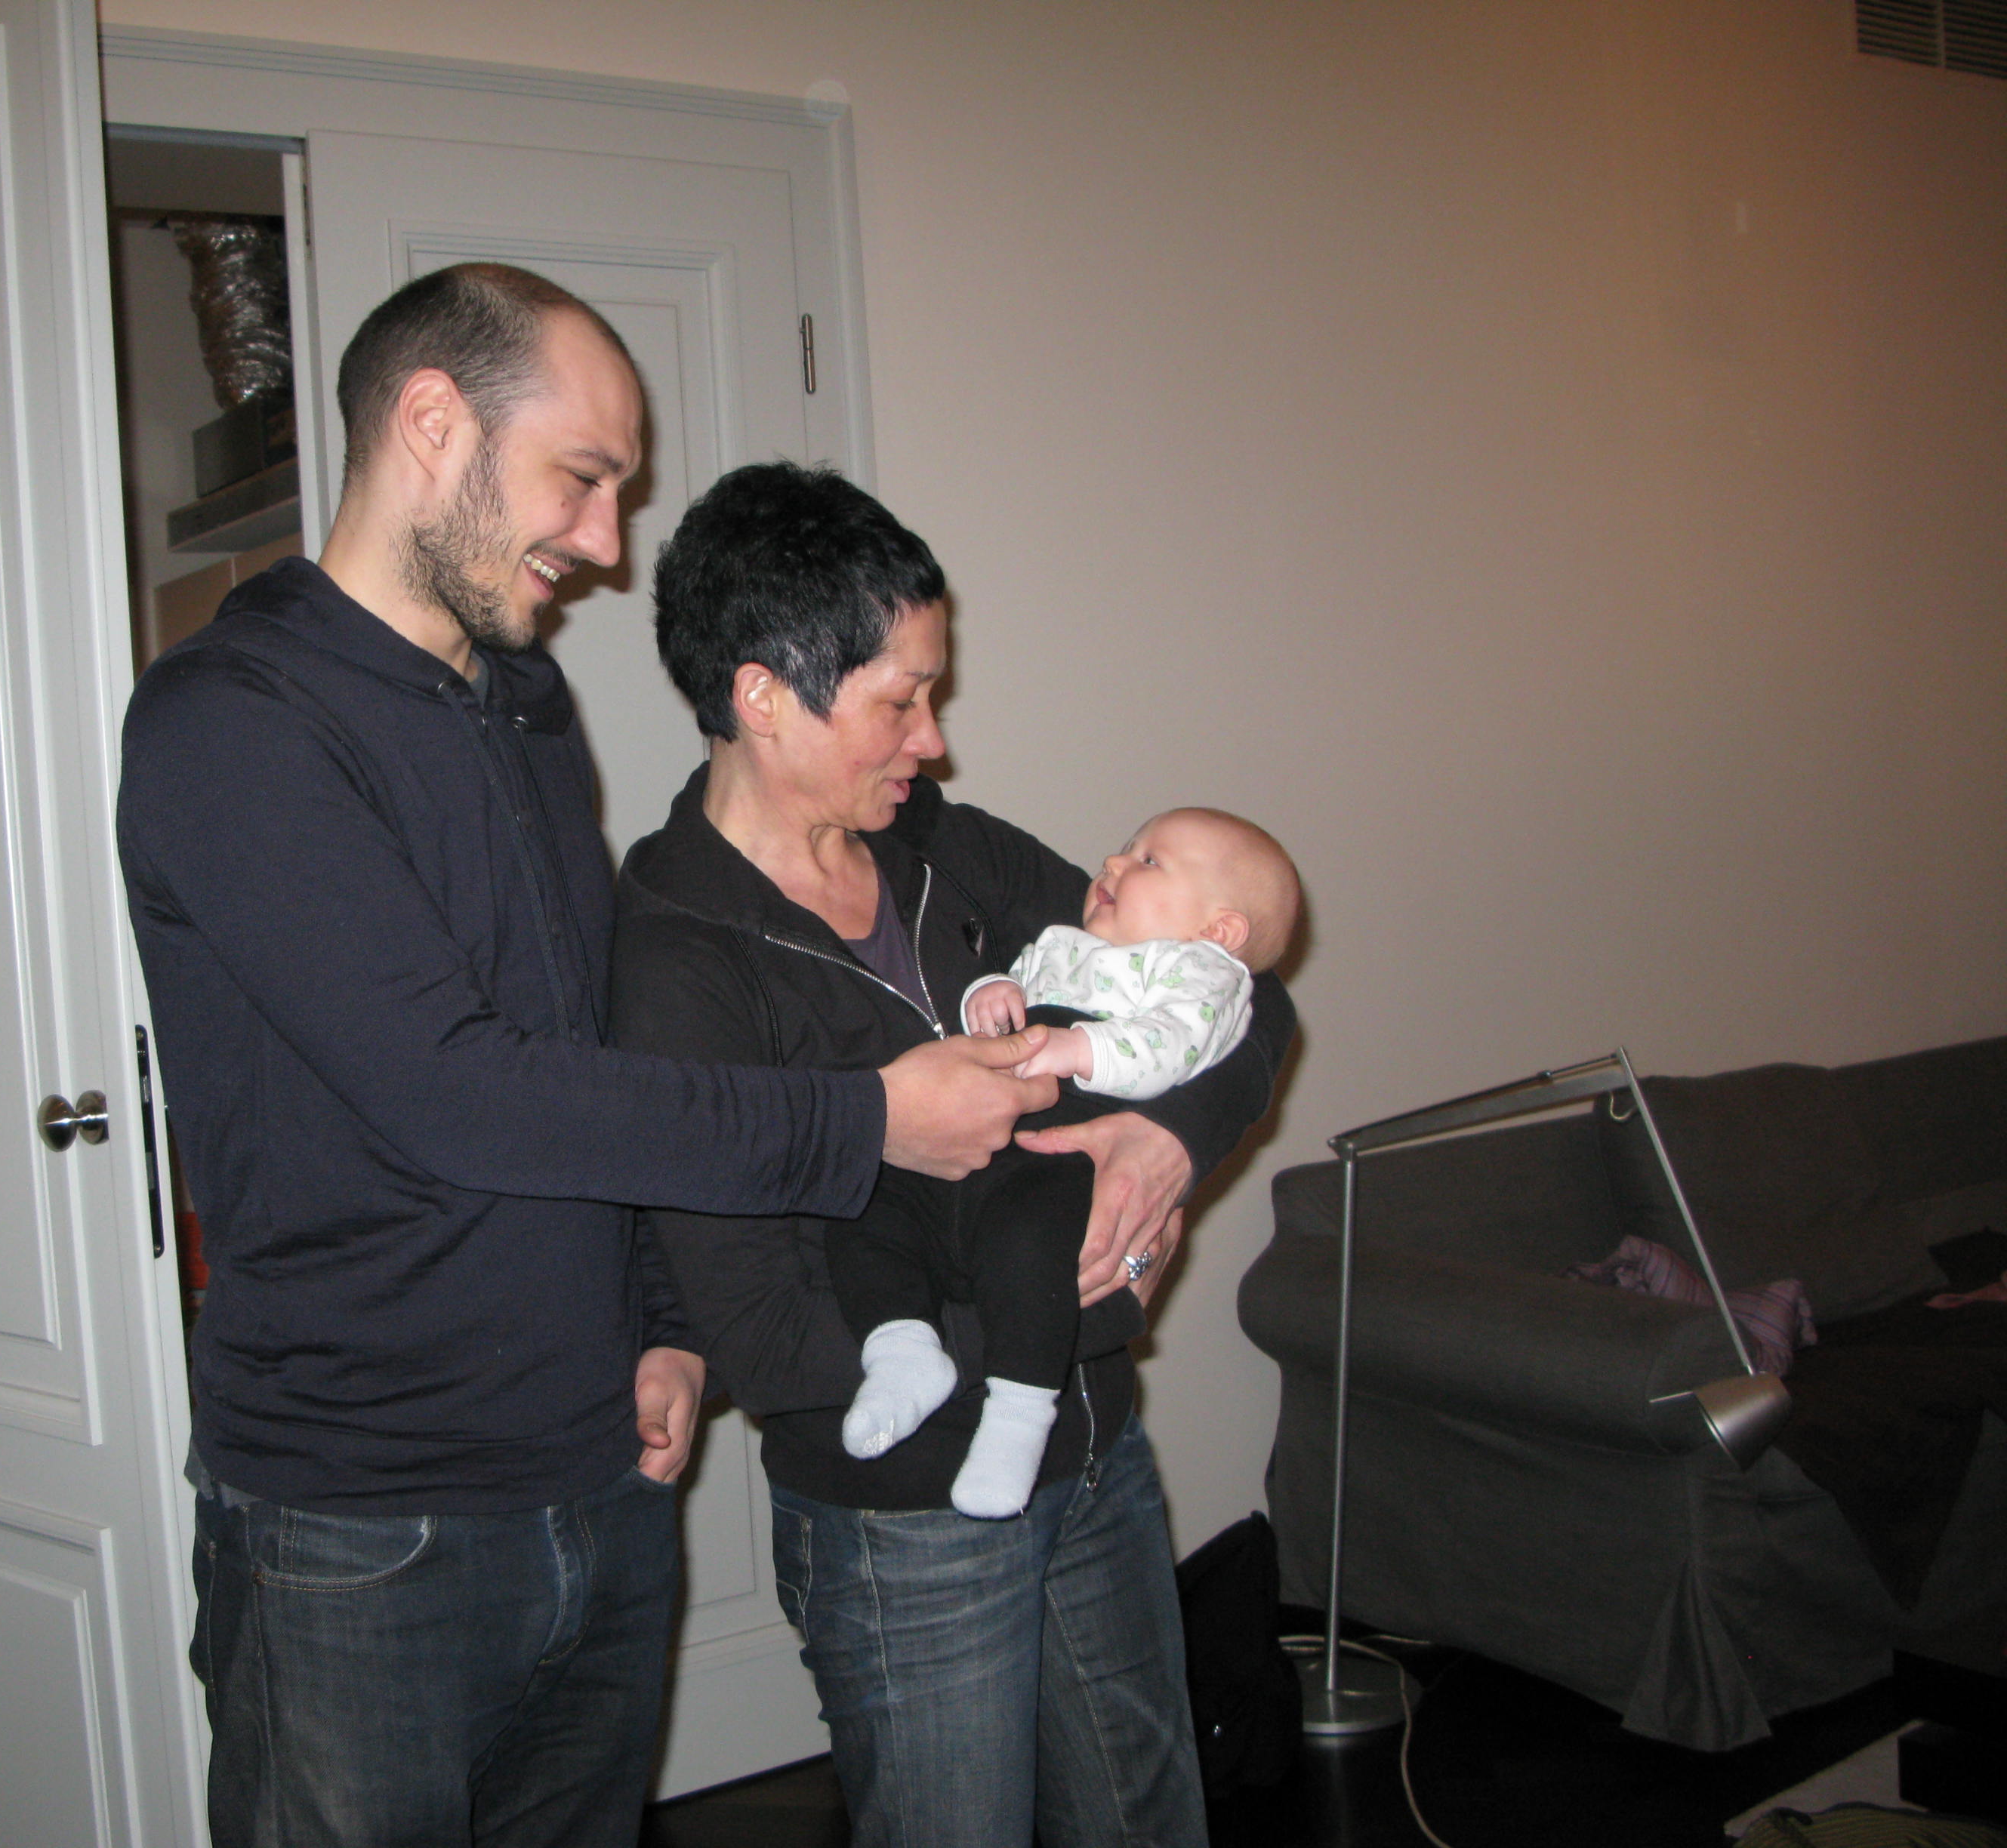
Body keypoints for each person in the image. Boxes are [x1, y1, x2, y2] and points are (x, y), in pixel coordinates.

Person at [114, 265, 1055, 1848]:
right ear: (433, 424)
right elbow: (457, 1091)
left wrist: (667, 1323)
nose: (608, 543)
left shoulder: (528, 706)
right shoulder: (233, 722)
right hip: (366, 1523)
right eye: (585, 477)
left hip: (603, 1474)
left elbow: (586, 1032)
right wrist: (862, 1121)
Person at [610, 460, 1297, 1847]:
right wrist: (1036, 1316)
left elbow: (1235, 995)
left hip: (1093, 1458)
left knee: (1145, 1822)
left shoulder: (950, 851)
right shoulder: (677, 958)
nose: (932, 740)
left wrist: (1162, 1144)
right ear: (762, 695)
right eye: (900, 701)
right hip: (907, 1519)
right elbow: (760, 1325)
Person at [834, 807, 1304, 1518]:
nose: (1113, 864)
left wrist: (1078, 1050)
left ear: (1220, 931)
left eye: (1149, 861)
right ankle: (902, 1350)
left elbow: (1171, 1043)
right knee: (870, 1210)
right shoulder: (1065, 943)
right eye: (1125, 848)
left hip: (1057, 1157)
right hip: (974, 1153)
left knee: (1033, 1253)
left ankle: (1018, 1417)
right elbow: (1007, 997)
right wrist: (991, 993)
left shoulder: (1201, 974)